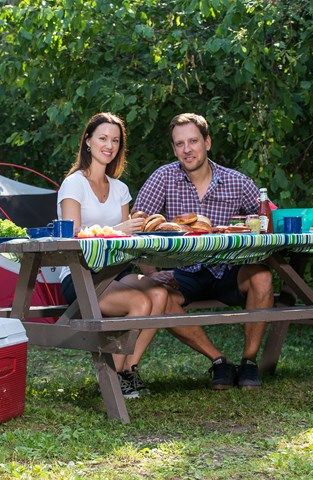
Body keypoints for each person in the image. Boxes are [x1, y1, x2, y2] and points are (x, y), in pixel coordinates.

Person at [134, 112, 274, 390]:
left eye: (193, 141)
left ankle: (248, 362)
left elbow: (269, 218)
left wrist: (253, 224)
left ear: (207, 143)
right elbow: (138, 229)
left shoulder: (237, 182)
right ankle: (219, 361)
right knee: (159, 297)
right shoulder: (162, 177)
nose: (187, 150)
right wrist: (151, 273)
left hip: (229, 269)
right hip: (183, 273)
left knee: (263, 277)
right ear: (174, 148)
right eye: (179, 144)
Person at [57, 112, 169, 399]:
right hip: (81, 273)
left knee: (159, 294)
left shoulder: (120, 189)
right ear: (88, 141)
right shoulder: (74, 184)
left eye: (115, 141)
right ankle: (112, 378)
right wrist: (119, 228)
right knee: (140, 301)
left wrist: (142, 237)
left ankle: (127, 370)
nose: (109, 145)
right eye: (103, 138)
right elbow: (72, 234)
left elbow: (126, 242)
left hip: (115, 270)